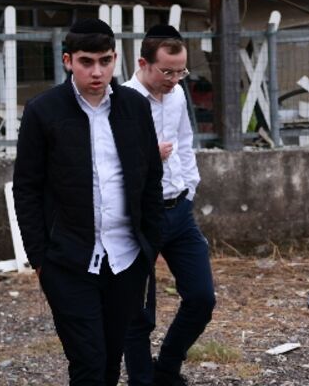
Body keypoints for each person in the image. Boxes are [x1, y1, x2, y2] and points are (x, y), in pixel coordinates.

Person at [13, 19, 163, 386]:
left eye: (105, 61)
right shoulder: (43, 111)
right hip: (68, 262)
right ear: (68, 60)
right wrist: (40, 257)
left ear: (116, 59)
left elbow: (151, 180)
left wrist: (151, 244)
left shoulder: (135, 107)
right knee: (88, 361)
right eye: (86, 62)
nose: (97, 72)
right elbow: (26, 188)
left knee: (111, 360)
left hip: (126, 259)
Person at [123, 25, 215, 386]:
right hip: (142, 216)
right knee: (139, 313)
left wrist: (191, 188)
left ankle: (167, 369)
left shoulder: (176, 96)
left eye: (181, 71)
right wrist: (147, 155)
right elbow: (109, 163)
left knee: (201, 298)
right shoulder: (122, 101)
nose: (175, 79)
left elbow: (185, 142)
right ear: (143, 63)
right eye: (167, 71)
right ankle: (142, 380)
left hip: (179, 209)